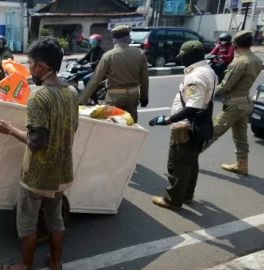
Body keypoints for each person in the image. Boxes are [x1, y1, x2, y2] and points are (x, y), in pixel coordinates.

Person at [0, 38, 78, 270]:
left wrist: (10, 129)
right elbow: (73, 128)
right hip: (62, 172)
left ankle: (26, 269)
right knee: (56, 220)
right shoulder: (71, 92)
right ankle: (55, 266)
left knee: (27, 224)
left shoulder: (39, 98)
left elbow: (36, 141)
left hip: (37, 176)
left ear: (41, 67)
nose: (29, 68)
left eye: (30, 63)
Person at [148, 41, 218, 210]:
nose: (181, 59)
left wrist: (168, 119)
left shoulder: (196, 76)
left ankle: (172, 200)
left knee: (178, 164)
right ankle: (187, 195)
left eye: (183, 56)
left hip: (186, 127)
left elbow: (193, 106)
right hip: (199, 125)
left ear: (190, 56)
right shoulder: (208, 71)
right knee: (190, 162)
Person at [202, 30, 263, 176]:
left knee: (212, 132)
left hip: (234, 105)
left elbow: (226, 85)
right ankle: (242, 165)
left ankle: (188, 159)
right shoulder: (256, 60)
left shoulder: (240, 61)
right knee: (241, 137)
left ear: (235, 45)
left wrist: (207, 93)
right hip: (245, 102)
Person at [80, 25, 149, 122]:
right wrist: (144, 97)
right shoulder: (140, 54)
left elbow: (95, 80)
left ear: (114, 40)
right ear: (128, 38)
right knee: (132, 125)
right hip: (133, 96)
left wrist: (82, 100)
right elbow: (144, 78)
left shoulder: (108, 56)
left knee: (112, 127)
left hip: (114, 98)